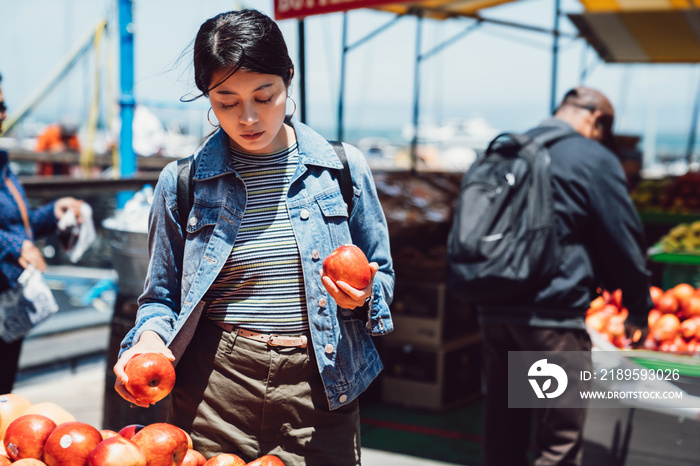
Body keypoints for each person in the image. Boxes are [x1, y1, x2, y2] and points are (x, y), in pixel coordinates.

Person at [113, 9, 394, 465]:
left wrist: (360, 297)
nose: (248, 117)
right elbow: (160, 297)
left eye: (265, 96)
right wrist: (147, 342)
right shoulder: (182, 182)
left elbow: (382, 280)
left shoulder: (342, 170)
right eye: (226, 102)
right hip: (214, 390)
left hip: (322, 388)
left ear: (289, 80)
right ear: (208, 97)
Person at [477, 86, 652, 466]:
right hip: (551, 321)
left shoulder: (509, 149)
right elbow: (624, 239)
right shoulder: (591, 156)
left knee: (504, 436)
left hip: (496, 314)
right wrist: (639, 307)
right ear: (597, 120)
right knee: (558, 442)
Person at [0, 72, 84, 394]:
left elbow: (17, 225)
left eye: (4, 105)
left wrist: (52, 213)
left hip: (8, 302)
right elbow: (11, 236)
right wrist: (12, 245)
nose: (4, 114)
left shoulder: (3, 165)